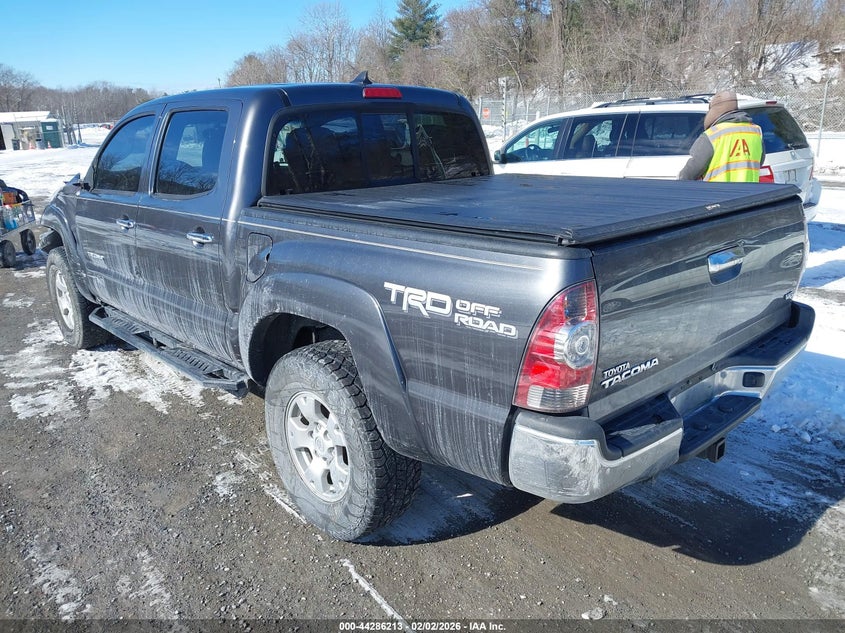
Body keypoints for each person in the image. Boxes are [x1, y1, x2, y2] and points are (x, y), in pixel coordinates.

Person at [679, 90, 765, 182]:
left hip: (719, 194)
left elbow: (691, 170)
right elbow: (760, 161)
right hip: (750, 193)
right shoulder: (755, 131)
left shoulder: (712, 135)